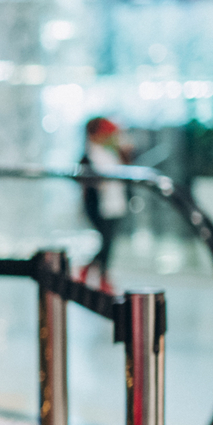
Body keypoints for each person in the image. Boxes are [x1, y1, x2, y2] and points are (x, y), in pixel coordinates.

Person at [80, 116, 130, 293]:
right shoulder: (89, 156)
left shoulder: (110, 152)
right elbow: (88, 184)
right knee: (106, 242)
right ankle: (101, 276)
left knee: (108, 242)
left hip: (116, 204)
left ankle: (89, 270)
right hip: (100, 206)